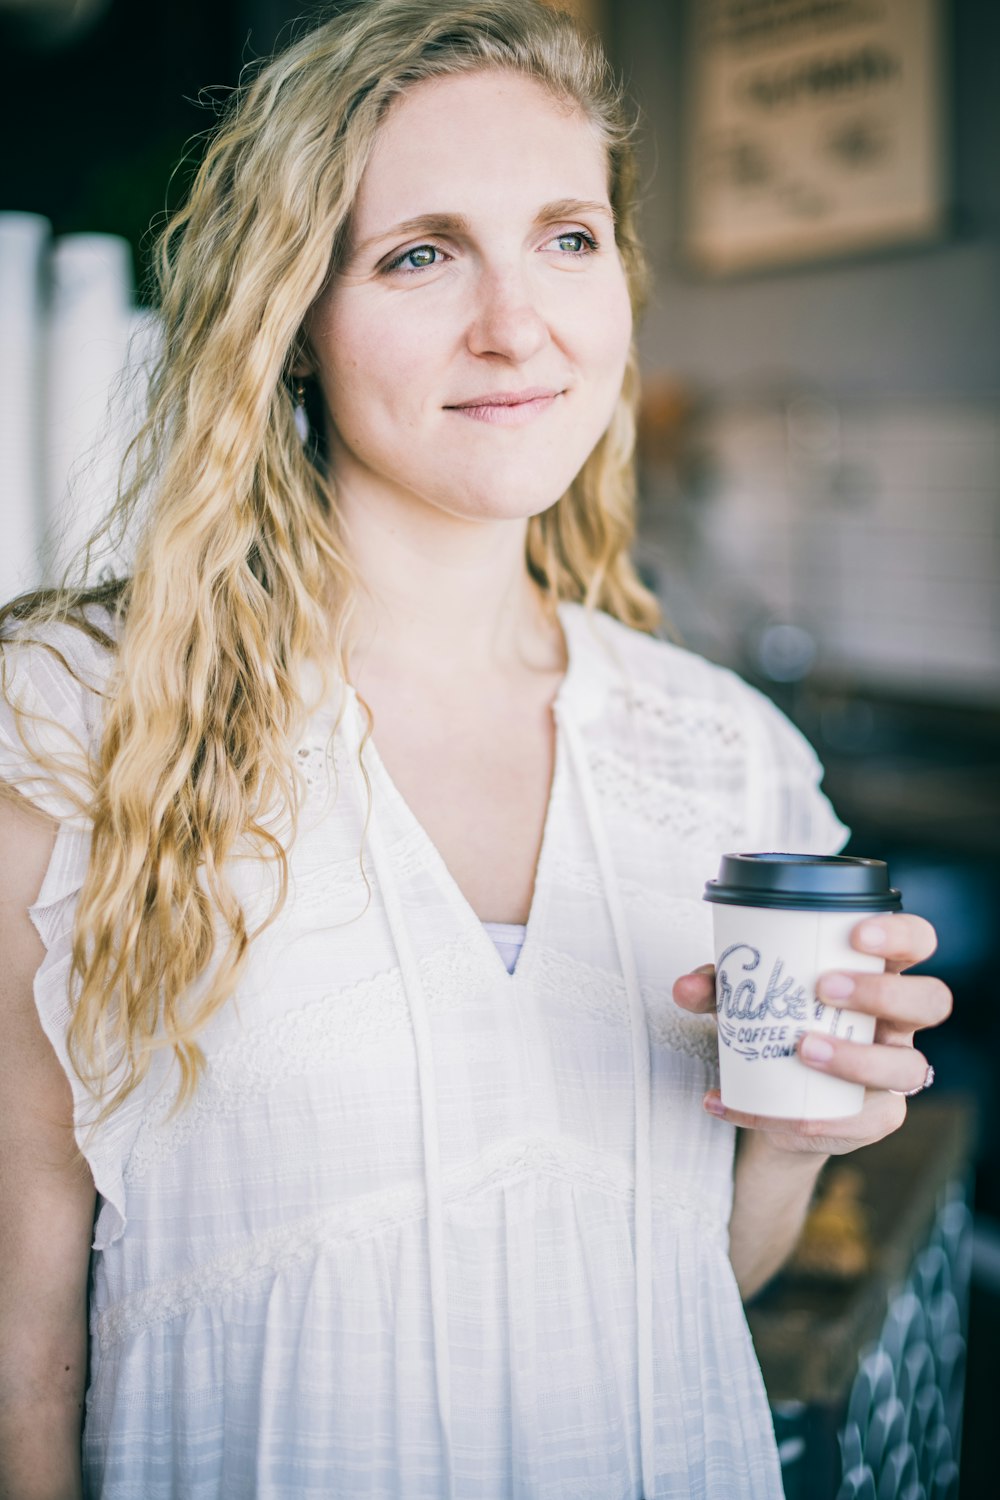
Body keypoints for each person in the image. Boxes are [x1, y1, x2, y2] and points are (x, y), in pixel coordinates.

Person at [0, 2, 951, 1497]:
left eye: (567, 239)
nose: (520, 325)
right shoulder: (77, 722)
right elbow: (22, 1324)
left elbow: (697, 1282)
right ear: (294, 319)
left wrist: (801, 1137)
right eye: (421, 252)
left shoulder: (728, 759)